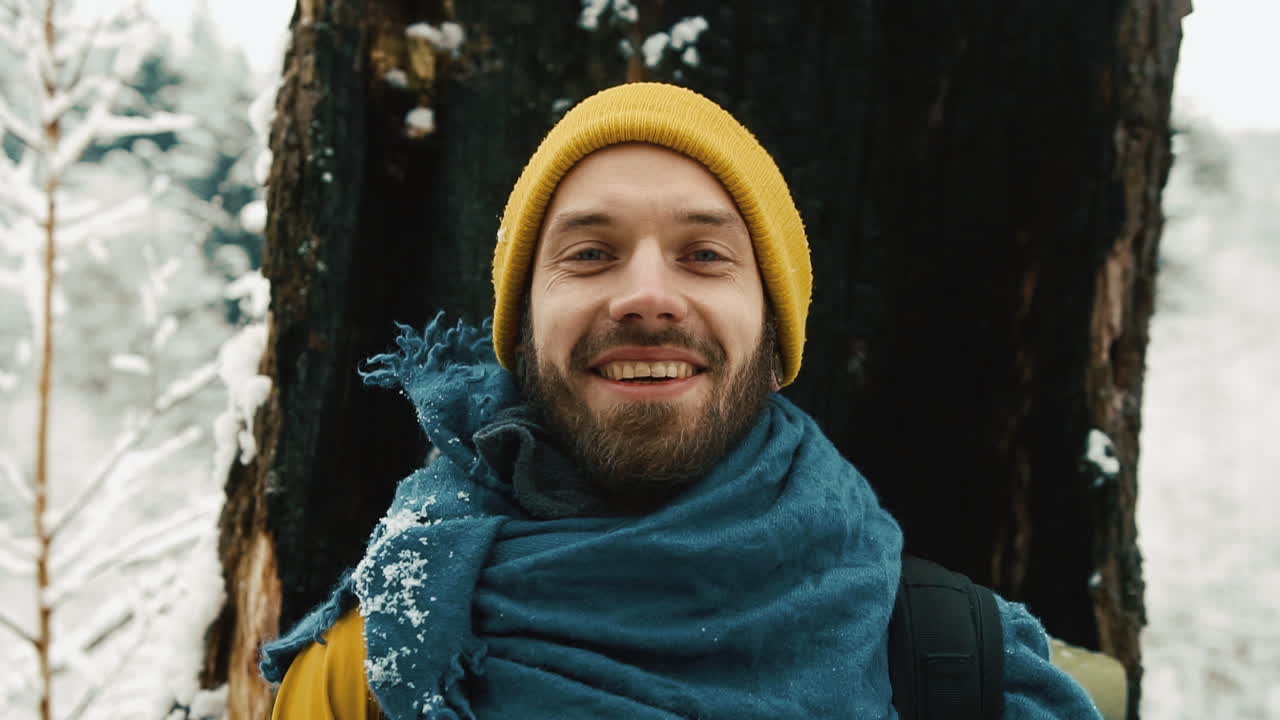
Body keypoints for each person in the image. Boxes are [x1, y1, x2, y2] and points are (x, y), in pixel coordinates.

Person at [261, 82, 1106, 719]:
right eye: (590, 254)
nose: (647, 295)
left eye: (705, 255)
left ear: (778, 344)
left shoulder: (958, 661)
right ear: (518, 333)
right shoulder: (375, 666)